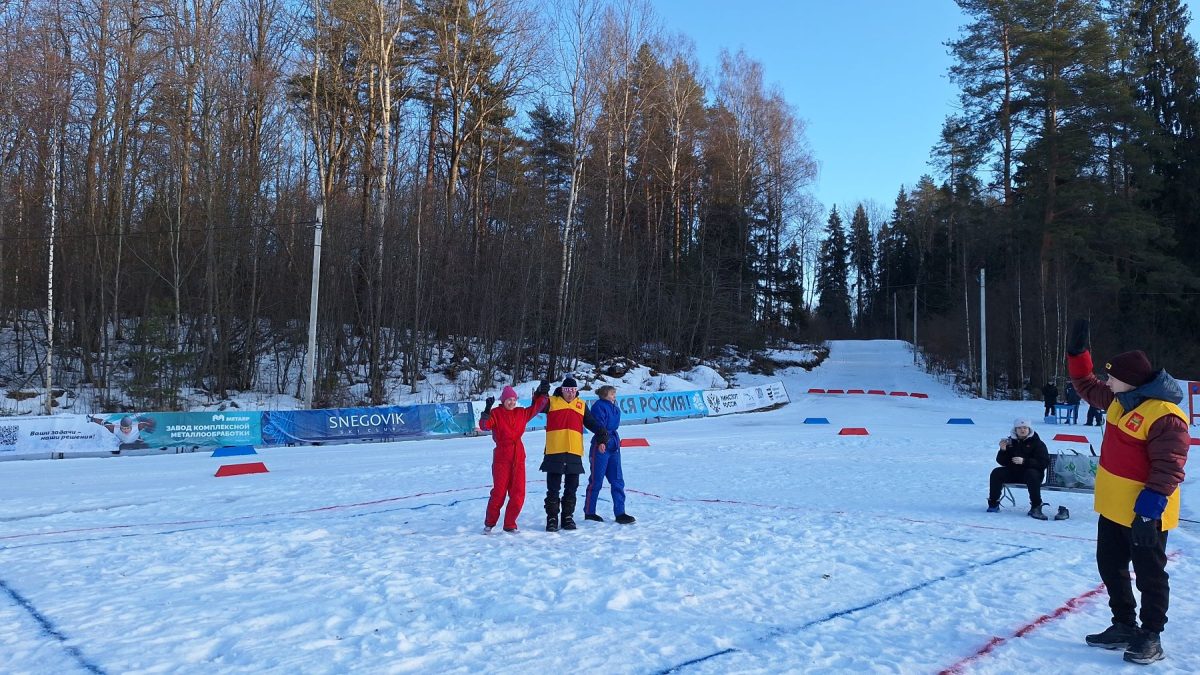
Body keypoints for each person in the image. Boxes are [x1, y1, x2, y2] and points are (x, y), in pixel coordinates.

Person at [1066, 319, 1189, 665]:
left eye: (1112, 376)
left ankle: (1150, 635)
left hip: (1146, 513)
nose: (1106, 381)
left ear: (1130, 380)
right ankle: (1123, 624)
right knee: (1110, 566)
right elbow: (1086, 384)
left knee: (1150, 575)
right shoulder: (1121, 399)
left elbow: (1169, 468)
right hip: (1113, 508)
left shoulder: (1165, 415)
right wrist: (1078, 354)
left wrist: (1148, 513)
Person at [479, 383, 549, 534]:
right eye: (508, 399)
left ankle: (510, 523)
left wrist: (542, 393)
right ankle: (490, 523)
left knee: (518, 492)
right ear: (503, 401)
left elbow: (537, 407)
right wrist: (486, 410)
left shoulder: (521, 413)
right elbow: (484, 426)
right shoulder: (496, 413)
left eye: (513, 399)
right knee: (499, 492)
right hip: (502, 458)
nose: (511, 402)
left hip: (518, 456)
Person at [540, 376, 607, 532]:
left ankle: (567, 517)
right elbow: (538, 405)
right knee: (553, 488)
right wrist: (540, 393)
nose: (570, 393)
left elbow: (592, 423)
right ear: (562, 390)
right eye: (567, 390)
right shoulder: (552, 401)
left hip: (574, 451)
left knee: (571, 487)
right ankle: (552, 518)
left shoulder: (581, 405)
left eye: (573, 390)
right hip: (555, 450)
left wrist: (602, 435)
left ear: (576, 391)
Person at [583, 385, 636, 525]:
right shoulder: (599, 407)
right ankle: (589, 511)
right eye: (612, 394)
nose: (614, 396)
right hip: (602, 445)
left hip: (613, 445)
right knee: (596, 480)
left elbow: (615, 422)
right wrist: (602, 441)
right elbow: (598, 425)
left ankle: (620, 512)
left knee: (617, 480)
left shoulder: (614, 407)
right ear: (605, 395)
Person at [986, 418, 1051, 519]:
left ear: (1029, 429)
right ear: (1015, 430)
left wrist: (1025, 461)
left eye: (1025, 427)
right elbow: (1002, 462)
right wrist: (1003, 450)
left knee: (1031, 473)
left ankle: (1036, 506)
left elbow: (1043, 462)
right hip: (1014, 472)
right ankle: (993, 503)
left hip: (1032, 475)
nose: (1022, 430)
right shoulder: (1010, 442)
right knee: (996, 472)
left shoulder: (1037, 443)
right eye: (1019, 428)